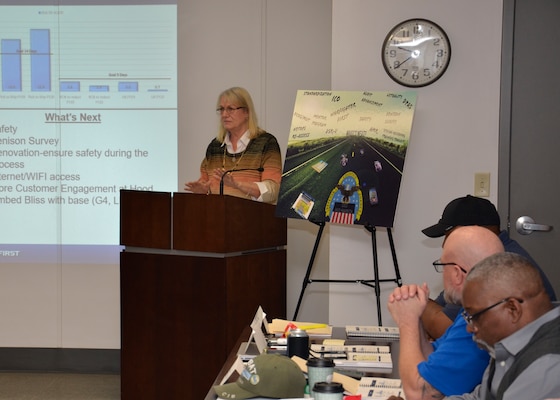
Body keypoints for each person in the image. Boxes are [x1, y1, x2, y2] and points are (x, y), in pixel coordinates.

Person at [387, 226, 504, 400]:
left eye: (442, 266)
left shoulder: (481, 318)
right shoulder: (475, 305)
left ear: (457, 273)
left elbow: (420, 394)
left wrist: (407, 321)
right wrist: (417, 318)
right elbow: (432, 359)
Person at [420, 194, 556, 339]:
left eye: (449, 234)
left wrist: (416, 302)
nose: (444, 244)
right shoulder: (487, 254)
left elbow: (445, 329)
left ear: (472, 231)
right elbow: (443, 308)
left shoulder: (501, 263)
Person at [446, 252, 560, 400]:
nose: (470, 328)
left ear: (512, 309)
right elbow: (482, 398)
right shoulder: (514, 341)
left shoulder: (546, 366)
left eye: (474, 316)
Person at [184, 87, 282, 204]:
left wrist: (237, 185)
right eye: (221, 109)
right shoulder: (215, 147)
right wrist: (204, 190)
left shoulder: (266, 143)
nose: (224, 114)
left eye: (230, 109)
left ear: (246, 112)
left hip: (254, 219)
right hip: (217, 218)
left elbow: (272, 191)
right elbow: (206, 183)